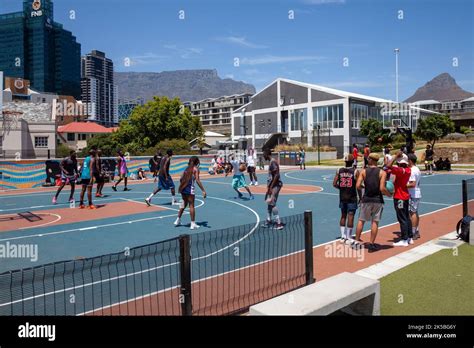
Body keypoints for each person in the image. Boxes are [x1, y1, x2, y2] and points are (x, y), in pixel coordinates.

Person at [354, 153, 391, 252]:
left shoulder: (364, 171)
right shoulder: (382, 173)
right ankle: (371, 244)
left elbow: (357, 185)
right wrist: (389, 194)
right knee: (375, 222)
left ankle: (356, 243)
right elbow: (382, 188)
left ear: (370, 159)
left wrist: (364, 187)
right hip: (377, 200)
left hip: (366, 199)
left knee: (361, 220)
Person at [387, 151, 413, 247]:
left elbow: (388, 166)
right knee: (406, 217)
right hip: (405, 196)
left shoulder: (401, 170)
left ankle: (404, 239)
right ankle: (410, 237)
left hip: (400, 197)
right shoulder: (408, 170)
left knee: (402, 218)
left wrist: (394, 157)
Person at [333, 154, 361, 243]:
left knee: (343, 215)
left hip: (342, 196)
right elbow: (358, 186)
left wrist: (341, 188)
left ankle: (342, 236)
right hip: (352, 197)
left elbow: (334, 184)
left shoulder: (339, 170)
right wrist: (360, 197)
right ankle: (348, 237)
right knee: (351, 216)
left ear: (345, 162)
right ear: (353, 162)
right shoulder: (355, 171)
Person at [174, 156, 207, 230]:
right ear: (196, 162)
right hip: (189, 189)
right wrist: (203, 190)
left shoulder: (187, 168)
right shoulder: (195, 169)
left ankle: (177, 220)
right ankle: (192, 224)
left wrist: (183, 185)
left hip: (183, 188)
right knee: (191, 205)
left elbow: (180, 178)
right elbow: (198, 180)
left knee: (183, 204)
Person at [263, 149, 284, 229]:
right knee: (270, 202)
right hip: (272, 186)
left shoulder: (273, 162)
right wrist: (268, 187)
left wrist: (271, 187)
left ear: (267, 154)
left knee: (272, 203)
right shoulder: (271, 162)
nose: (263, 155)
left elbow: (277, 175)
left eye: (264, 154)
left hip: (275, 185)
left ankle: (279, 223)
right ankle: (268, 220)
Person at [407, 153, 421, 240]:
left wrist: (402, 186)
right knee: (414, 212)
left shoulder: (412, 170)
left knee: (412, 213)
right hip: (416, 193)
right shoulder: (417, 169)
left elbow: (412, 184)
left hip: (413, 193)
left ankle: (413, 232)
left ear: (410, 161)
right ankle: (416, 230)